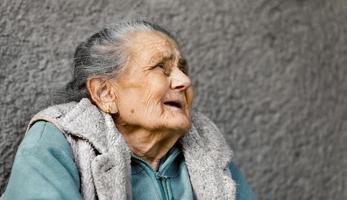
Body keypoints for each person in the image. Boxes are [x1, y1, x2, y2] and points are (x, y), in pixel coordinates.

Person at [2, 20, 256, 200]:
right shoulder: (59, 140)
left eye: (183, 69)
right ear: (105, 93)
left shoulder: (207, 146)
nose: (184, 81)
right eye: (161, 67)